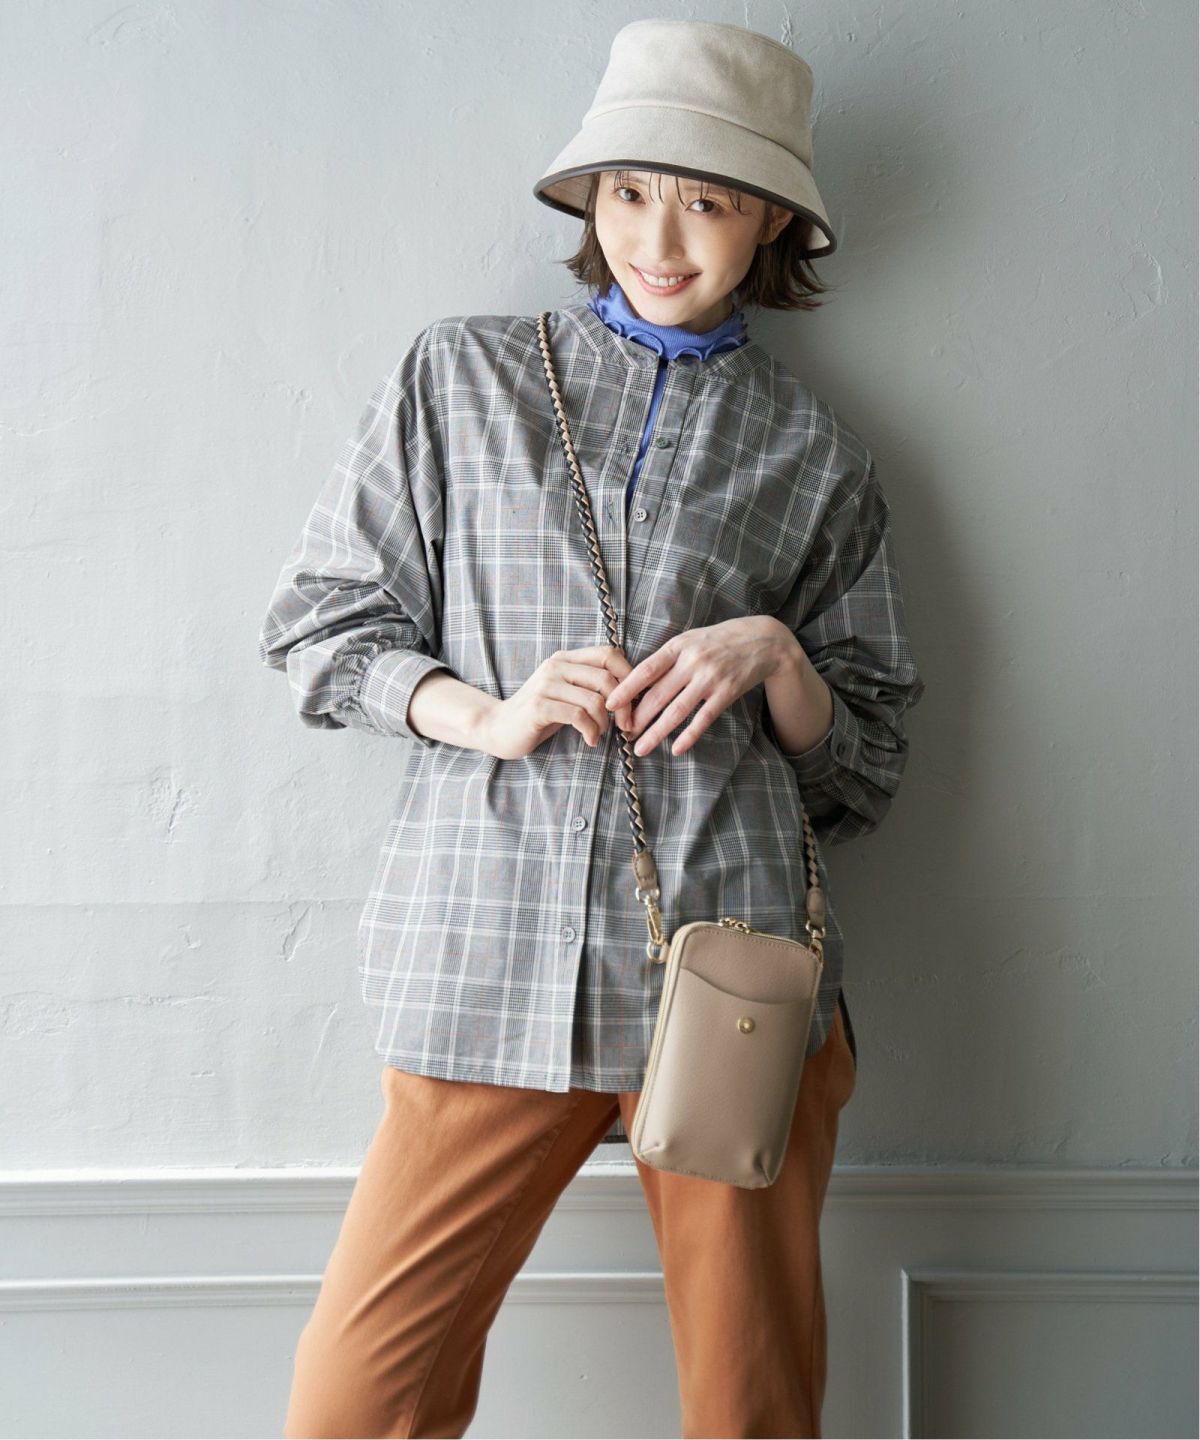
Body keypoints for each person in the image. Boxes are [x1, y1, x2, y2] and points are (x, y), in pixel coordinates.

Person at [259, 18, 926, 1439]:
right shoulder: (462, 379)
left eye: (709, 201)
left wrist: (775, 656)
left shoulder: (815, 453)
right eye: (629, 191)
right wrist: (487, 715)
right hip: (485, 952)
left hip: (729, 971)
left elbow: (865, 763)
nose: (659, 240)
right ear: (591, 198)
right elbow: (322, 626)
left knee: (751, 1411)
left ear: (771, 222)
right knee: (354, 1404)